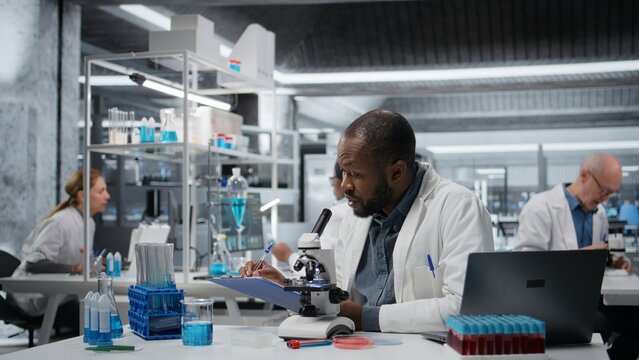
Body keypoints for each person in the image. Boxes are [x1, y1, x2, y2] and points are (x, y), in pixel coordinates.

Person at [241, 109, 494, 333]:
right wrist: (287, 287)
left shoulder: (457, 207)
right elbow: (335, 298)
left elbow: (465, 308)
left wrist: (364, 317)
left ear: (396, 171)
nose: (345, 186)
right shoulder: (355, 214)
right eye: (343, 173)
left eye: (356, 175)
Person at [514, 153, 638, 360]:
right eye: (603, 190)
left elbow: (596, 256)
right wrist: (578, 258)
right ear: (584, 175)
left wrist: (612, 263)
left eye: (611, 194)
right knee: (599, 324)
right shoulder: (540, 207)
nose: (606, 199)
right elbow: (524, 267)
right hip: (553, 302)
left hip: (588, 297)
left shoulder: (599, 214)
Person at [8, 169, 110, 332]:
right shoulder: (61, 221)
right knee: (98, 322)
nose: (107, 196)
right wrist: (75, 268)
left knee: (104, 314)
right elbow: (33, 264)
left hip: (62, 295)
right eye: (101, 191)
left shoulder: (89, 222)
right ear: (82, 196)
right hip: (33, 297)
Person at [271, 162, 349, 270]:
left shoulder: (337, 213)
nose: (332, 184)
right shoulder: (349, 211)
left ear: (344, 179)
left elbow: (317, 268)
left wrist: (287, 256)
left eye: (333, 178)